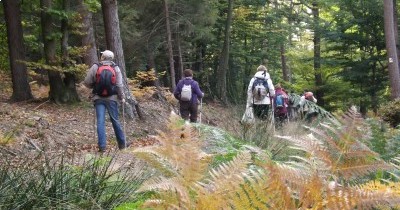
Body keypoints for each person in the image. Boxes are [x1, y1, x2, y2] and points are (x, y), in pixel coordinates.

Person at [83, 50, 127, 152]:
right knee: (115, 120)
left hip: (98, 98)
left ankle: (102, 147)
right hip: (112, 98)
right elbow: (119, 85)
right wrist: (122, 97)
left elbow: (86, 82)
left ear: (103, 57)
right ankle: (122, 145)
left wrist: (94, 87)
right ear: (111, 58)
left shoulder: (96, 67)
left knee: (100, 122)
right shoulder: (115, 68)